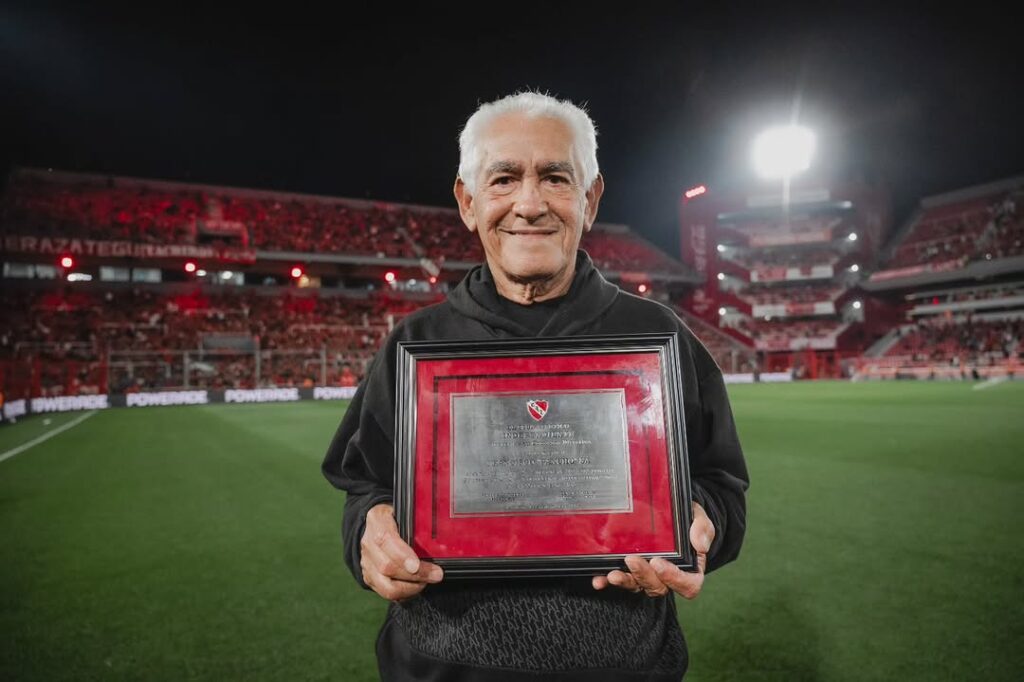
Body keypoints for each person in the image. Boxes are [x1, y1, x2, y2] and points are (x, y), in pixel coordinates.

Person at [322, 91, 749, 681]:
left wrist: (701, 526)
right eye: (503, 179)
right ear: (468, 203)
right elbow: (364, 485)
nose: (528, 204)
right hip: (440, 668)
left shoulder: (658, 337)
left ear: (590, 199)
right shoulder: (414, 344)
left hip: (625, 667)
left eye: (554, 177)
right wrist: (369, 535)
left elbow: (722, 486)